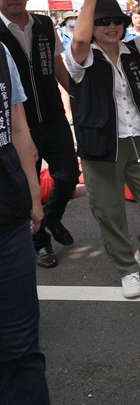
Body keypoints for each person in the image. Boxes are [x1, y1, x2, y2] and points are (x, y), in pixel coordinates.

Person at [63, 0, 140, 298]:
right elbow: (79, 40)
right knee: (110, 212)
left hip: (139, 141)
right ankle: (127, 269)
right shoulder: (81, 58)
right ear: (92, 25)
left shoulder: (134, 50)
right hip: (101, 146)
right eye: (103, 21)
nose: (112, 27)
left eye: (117, 20)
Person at [0, 0, 80, 269]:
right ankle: (41, 244)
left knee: (69, 175)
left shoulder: (45, 25)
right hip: (19, 123)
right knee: (27, 188)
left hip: (53, 116)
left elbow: (57, 65)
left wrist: (75, 94)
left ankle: (51, 219)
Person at [0, 41, 51, 404]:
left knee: (20, 348)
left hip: (8, 220)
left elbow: (17, 127)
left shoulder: (0, 53)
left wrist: (33, 195)